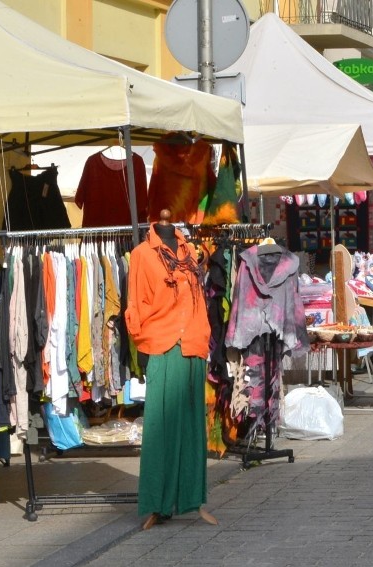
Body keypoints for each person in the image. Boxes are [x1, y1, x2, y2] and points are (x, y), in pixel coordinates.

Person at [126, 210, 218, 530]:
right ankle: (157, 503)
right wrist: (141, 345)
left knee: (192, 429)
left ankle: (191, 499)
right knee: (159, 430)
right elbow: (135, 303)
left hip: (192, 343)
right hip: (162, 345)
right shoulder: (141, 255)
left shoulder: (190, 253)